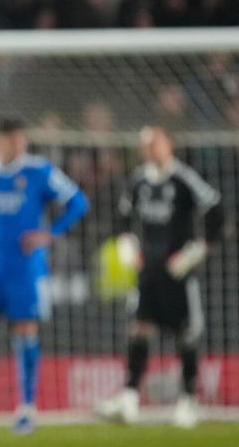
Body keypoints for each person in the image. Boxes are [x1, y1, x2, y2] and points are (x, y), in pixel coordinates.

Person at [0, 119, 88, 436]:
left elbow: (79, 202)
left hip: (25, 268)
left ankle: (26, 410)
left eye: (21, 139)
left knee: (25, 333)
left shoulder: (40, 170)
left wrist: (51, 234)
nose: (19, 144)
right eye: (12, 139)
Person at [96, 126, 223, 429]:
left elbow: (216, 210)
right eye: (145, 145)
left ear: (169, 145)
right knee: (139, 329)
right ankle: (128, 398)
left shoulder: (183, 178)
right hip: (148, 270)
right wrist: (128, 244)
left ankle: (188, 400)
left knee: (185, 334)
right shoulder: (138, 179)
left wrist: (198, 249)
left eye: (155, 144)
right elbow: (122, 217)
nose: (149, 150)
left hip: (178, 270)